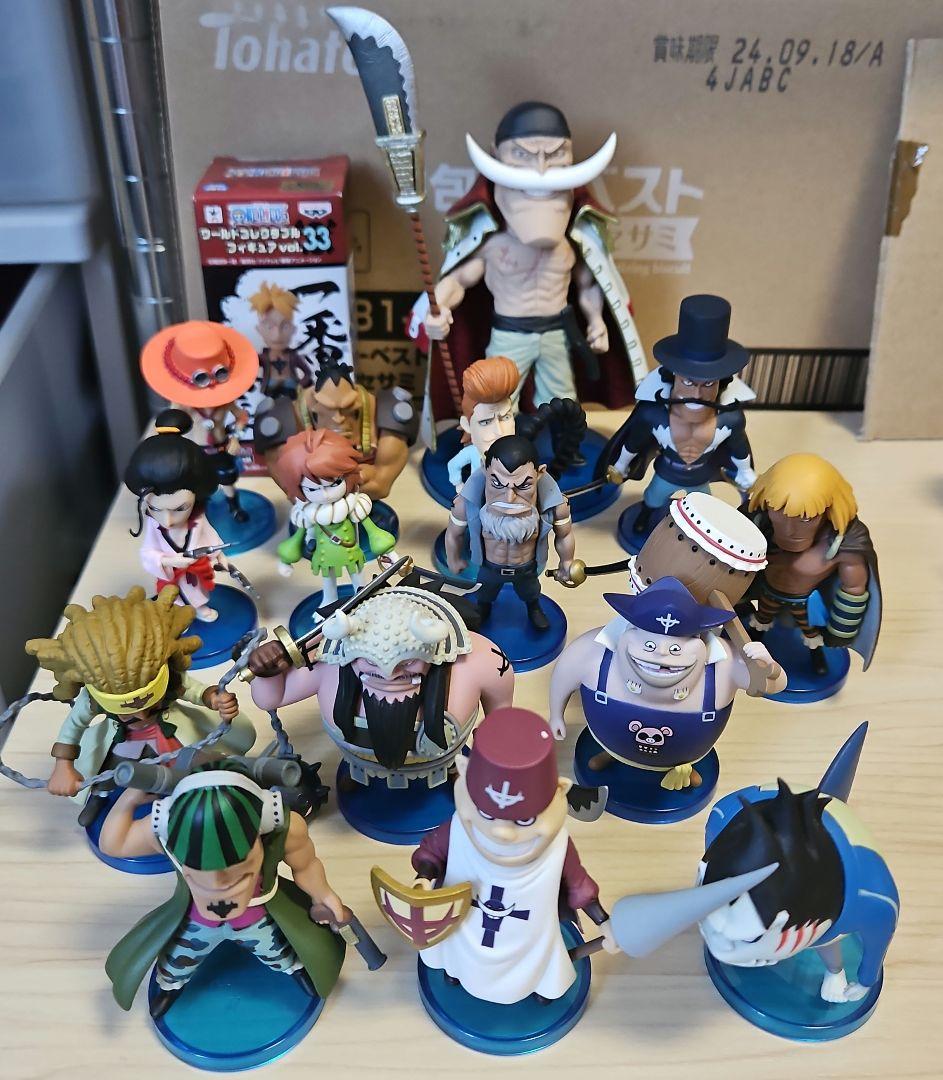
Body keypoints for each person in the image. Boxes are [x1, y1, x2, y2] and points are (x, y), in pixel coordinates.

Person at [412, 101, 646, 418]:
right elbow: (457, 281)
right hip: (510, 333)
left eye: (553, 157)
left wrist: (596, 321)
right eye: (524, 156)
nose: (540, 169)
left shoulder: (570, 247)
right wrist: (437, 309)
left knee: (562, 401)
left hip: (555, 333)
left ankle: (562, 442)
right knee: (497, 399)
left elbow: (588, 285)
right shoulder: (492, 246)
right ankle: (495, 444)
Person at [101, 760, 347, 1019]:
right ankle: (169, 987)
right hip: (197, 922)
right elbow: (115, 844)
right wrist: (129, 799)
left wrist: (323, 895)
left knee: (277, 951)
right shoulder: (167, 831)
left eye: (236, 869)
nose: (219, 881)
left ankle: (291, 968)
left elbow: (306, 865)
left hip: (256, 917)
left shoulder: (283, 830)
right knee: (176, 961)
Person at [411, 708, 617, 1004]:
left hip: (528, 939)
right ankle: (456, 971)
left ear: (560, 792)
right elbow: (433, 851)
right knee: (456, 953)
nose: (502, 833)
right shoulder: (459, 828)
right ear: (464, 773)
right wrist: (423, 878)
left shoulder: (556, 847)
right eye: (486, 814)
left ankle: (538, 985)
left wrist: (603, 920)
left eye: (524, 820)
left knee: (534, 965)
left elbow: (578, 884)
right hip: (462, 926)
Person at [247, 583, 514, 792]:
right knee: (359, 767)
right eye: (370, 662)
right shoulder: (328, 661)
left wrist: (491, 743)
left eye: (407, 663)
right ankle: (360, 774)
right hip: (358, 757)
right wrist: (267, 671)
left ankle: (452, 770)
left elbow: (501, 713)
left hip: (442, 758)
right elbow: (271, 699)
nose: (389, 674)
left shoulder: (481, 659)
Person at [27, 585, 255, 827]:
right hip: (122, 744)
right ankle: (100, 798)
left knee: (185, 768)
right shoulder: (93, 697)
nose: (142, 713)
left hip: (170, 736)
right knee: (110, 774)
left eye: (149, 702)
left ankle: (184, 800)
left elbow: (192, 690)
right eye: (128, 710)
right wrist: (63, 765)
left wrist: (213, 698)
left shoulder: (169, 675)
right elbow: (73, 726)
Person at [549, 578, 785, 790]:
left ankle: (682, 770)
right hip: (609, 742)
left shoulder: (724, 663)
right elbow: (565, 673)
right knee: (611, 751)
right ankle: (610, 755)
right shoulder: (595, 651)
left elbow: (772, 685)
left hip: (686, 755)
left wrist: (768, 665)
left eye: (675, 648)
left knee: (682, 768)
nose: (661, 654)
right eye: (650, 645)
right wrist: (556, 715)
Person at [599, 294, 757, 535]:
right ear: (674, 377)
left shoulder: (729, 419)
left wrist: (745, 472)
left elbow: (739, 448)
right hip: (667, 471)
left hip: (700, 475)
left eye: (708, 384)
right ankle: (645, 516)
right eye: (688, 381)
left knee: (704, 508)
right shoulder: (654, 415)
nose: (697, 393)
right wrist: (620, 467)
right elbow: (634, 442)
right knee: (653, 498)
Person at [746, 453, 881, 676]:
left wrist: (840, 631)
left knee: (810, 633)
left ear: (829, 510)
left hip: (805, 601)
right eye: (778, 512)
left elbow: (854, 590)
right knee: (760, 621)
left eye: (806, 518)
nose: (790, 530)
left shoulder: (843, 544)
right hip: (767, 592)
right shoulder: (756, 522)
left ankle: (817, 657)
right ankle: (751, 644)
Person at [445, 434, 576, 630]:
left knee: (531, 593)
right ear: (485, 469)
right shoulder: (465, 504)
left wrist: (566, 561)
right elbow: (454, 533)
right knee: (484, 593)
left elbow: (564, 534)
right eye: (497, 484)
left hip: (526, 567)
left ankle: (534, 608)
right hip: (489, 567)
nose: (509, 498)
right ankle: (483, 608)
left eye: (523, 486)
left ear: (540, 474)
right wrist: (453, 558)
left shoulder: (555, 506)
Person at [140, 320, 262, 523]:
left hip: (220, 446)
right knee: (193, 484)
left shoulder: (225, 400)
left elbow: (242, 416)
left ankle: (234, 507)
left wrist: (236, 437)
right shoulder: (183, 404)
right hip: (195, 449)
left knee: (227, 478)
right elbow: (168, 425)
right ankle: (197, 512)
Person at [255, 358, 418, 501]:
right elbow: (292, 491)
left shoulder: (383, 414)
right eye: (328, 410)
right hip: (315, 503)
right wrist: (317, 493)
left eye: (347, 409)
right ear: (315, 408)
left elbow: (381, 485)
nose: (338, 418)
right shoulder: (290, 416)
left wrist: (349, 484)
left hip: (363, 498)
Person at [124, 410, 233, 622]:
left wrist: (220, 557)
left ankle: (199, 609)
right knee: (174, 598)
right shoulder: (154, 526)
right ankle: (178, 615)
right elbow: (147, 552)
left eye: (180, 508)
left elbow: (211, 540)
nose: (168, 521)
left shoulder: (198, 520)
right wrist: (169, 560)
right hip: (172, 572)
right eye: (156, 509)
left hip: (194, 572)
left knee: (197, 593)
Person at [269, 428, 398, 606]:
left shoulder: (353, 505)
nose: (326, 494)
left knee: (359, 581)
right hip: (325, 557)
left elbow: (374, 532)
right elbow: (296, 540)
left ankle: (364, 600)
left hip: (352, 553)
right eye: (312, 489)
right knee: (328, 582)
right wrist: (286, 560)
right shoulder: (309, 513)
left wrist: (389, 552)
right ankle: (329, 602)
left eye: (335, 483)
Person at [250, 281, 308, 397]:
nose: (277, 335)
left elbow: (307, 373)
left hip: (292, 391)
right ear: (259, 330)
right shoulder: (261, 358)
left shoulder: (293, 356)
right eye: (269, 326)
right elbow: (247, 370)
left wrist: (300, 386)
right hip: (270, 391)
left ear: (293, 329)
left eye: (285, 326)